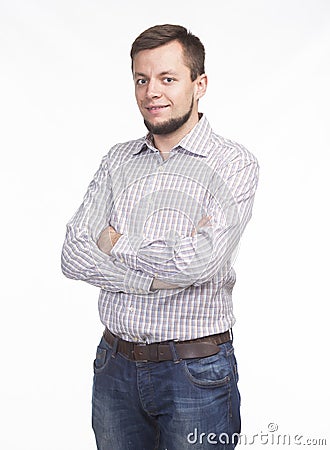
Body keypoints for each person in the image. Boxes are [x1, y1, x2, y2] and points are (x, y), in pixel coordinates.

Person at [61, 24, 259, 450]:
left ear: (199, 84)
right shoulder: (118, 161)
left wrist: (117, 243)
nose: (152, 91)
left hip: (195, 373)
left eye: (168, 78)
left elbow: (199, 262)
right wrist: (155, 273)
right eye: (141, 79)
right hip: (114, 367)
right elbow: (73, 254)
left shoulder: (233, 164)